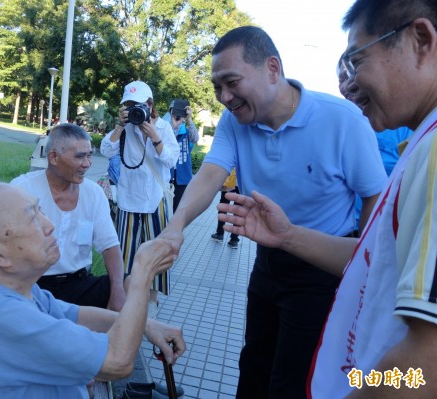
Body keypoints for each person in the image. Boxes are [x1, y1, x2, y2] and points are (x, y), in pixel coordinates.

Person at [221, 2, 437, 397]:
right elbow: (375, 262)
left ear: (420, 41)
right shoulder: (421, 143)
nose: (352, 82)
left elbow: (425, 366)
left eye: (357, 60)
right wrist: (286, 236)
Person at [159, 26, 387, 398]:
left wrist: (361, 261)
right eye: (218, 87)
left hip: (322, 271)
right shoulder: (235, 123)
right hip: (268, 260)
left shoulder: (341, 120)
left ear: (272, 68)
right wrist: (176, 226)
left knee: (293, 379)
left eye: (231, 82)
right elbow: (211, 173)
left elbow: (375, 197)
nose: (224, 97)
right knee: (253, 366)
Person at [0, 182, 186, 398]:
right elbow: (117, 362)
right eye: (32, 216)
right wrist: (142, 274)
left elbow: (76, 315)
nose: (48, 224)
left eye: (40, 210)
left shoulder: (7, 287)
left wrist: (148, 326)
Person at [10, 123, 127, 311]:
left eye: (89, 155)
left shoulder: (94, 193)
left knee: (129, 284)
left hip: (78, 284)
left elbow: (110, 246)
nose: (87, 163)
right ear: (54, 157)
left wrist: (118, 291)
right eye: (80, 156)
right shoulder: (22, 190)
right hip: (32, 286)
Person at [100, 81, 179, 299]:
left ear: (150, 104)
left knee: (155, 256)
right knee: (125, 257)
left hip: (155, 201)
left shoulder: (162, 127)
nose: (134, 108)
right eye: (129, 104)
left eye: (139, 104)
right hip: (128, 201)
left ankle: (150, 306)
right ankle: (125, 302)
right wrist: (120, 126)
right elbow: (106, 150)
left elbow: (172, 160)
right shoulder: (125, 128)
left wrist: (154, 136)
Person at [337, 59, 414, 231]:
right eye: (342, 78)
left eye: (353, 74)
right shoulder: (335, 126)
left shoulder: (402, 124)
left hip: (392, 228)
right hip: (345, 233)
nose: (349, 85)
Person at [163, 99, 199, 212]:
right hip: (166, 175)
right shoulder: (164, 129)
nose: (177, 115)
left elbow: (195, 138)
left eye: (180, 113)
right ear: (170, 112)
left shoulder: (187, 131)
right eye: (174, 112)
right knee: (164, 208)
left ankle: (175, 227)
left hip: (183, 176)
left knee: (178, 208)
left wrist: (189, 119)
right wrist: (173, 126)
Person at [210, 168, 240, 249]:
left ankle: (219, 234)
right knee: (238, 211)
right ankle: (234, 240)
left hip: (230, 181)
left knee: (223, 207)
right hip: (242, 183)